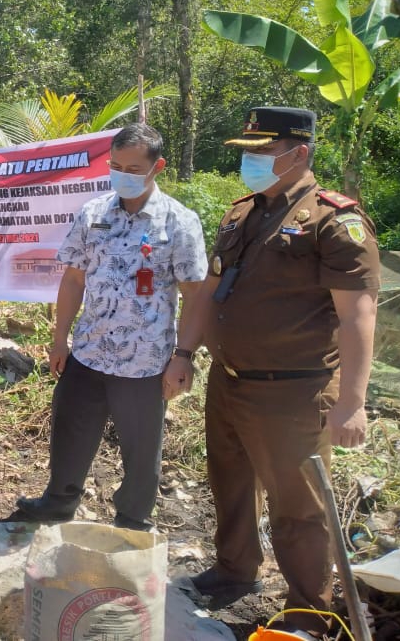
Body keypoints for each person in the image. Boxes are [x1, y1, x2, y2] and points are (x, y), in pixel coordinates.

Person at [163, 107, 380, 639]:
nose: (249, 162)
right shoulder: (241, 214)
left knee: (296, 507)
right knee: (229, 482)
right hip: (230, 379)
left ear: (298, 153)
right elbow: (208, 292)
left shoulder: (334, 220)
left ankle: (310, 606)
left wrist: (353, 401)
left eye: (261, 153)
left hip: (295, 391)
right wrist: (184, 352)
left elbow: (358, 314)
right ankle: (235, 571)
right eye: (248, 152)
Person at [16, 123, 207, 531]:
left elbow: (197, 294)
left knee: (141, 450)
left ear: (158, 167)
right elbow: (72, 279)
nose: (122, 174)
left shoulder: (179, 222)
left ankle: (132, 519)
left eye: (134, 168)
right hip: (88, 352)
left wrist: (184, 357)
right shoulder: (93, 213)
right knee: (70, 432)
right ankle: (58, 502)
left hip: (145, 362)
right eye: (116, 165)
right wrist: (59, 340)